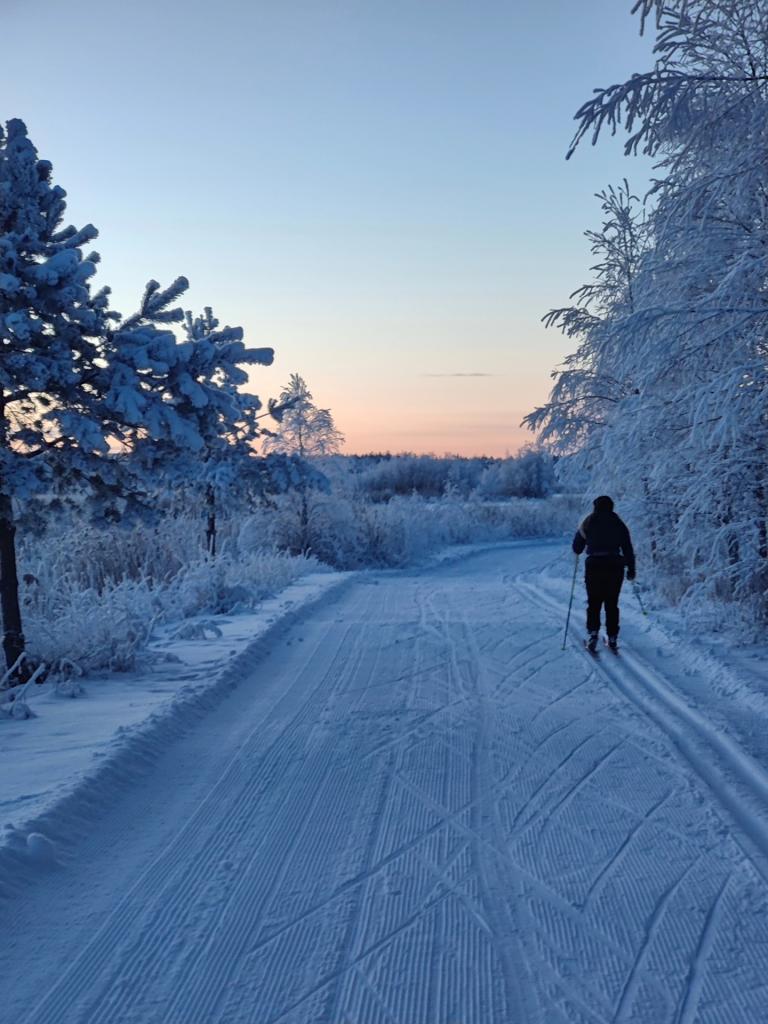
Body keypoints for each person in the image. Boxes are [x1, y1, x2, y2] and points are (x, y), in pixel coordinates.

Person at [572, 495, 635, 653]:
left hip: (594, 565)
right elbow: (627, 548)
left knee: (594, 601)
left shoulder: (588, 521)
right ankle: (612, 636)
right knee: (612, 602)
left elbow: (577, 547)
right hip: (615, 565)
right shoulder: (618, 523)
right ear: (611, 506)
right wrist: (631, 569)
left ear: (595, 506)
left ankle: (593, 633)